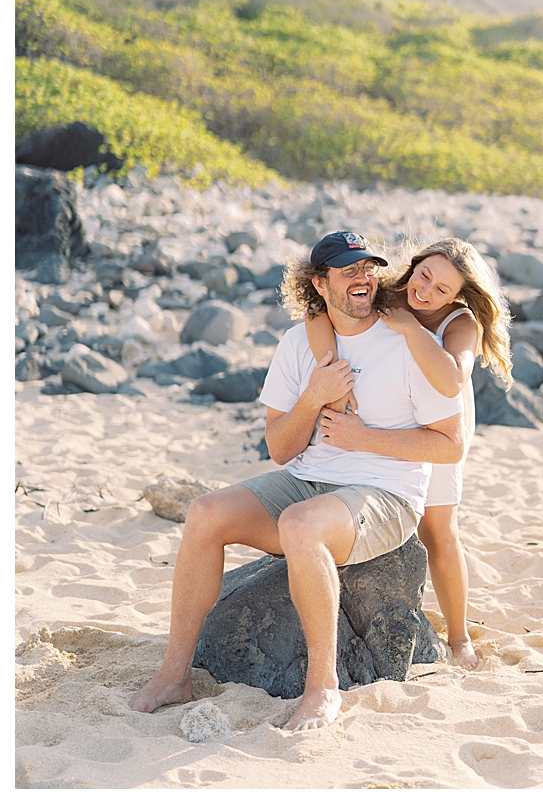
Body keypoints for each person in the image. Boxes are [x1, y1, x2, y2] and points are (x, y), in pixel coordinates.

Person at [129, 231, 465, 731]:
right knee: (204, 514)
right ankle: (175, 675)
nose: (363, 278)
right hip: (307, 480)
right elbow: (281, 448)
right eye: (349, 270)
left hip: (386, 494)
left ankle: (323, 687)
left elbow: (451, 444)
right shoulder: (298, 341)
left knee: (301, 525)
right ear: (320, 283)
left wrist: (361, 437)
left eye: (369, 268)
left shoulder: (409, 339)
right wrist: (314, 396)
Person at [305, 237, 511, 670]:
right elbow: (317, 315)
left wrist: (411, 328)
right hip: (385, 411)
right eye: (424, 276)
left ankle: (458, 639)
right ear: (413, 266)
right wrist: (332, 373)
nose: (426, 292)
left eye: (441, 289)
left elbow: (452, 382)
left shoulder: (460, 324)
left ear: (457, 295)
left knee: (438, 529)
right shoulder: (388, 293)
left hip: (439, 423)